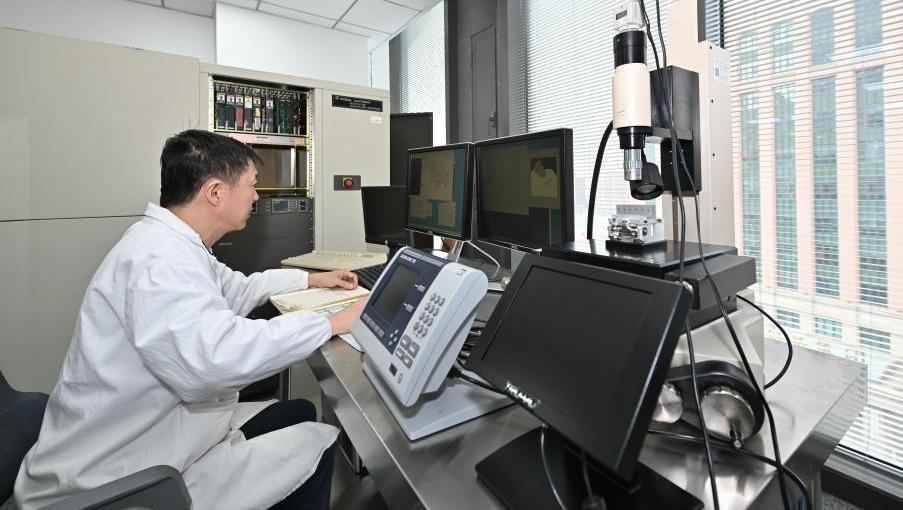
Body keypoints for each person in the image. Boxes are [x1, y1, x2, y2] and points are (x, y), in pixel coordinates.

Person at [15, 130, 365, 510]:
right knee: (318, 441)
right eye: (251, 185)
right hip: (118, 473)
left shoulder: (174, 244)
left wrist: (310, 280)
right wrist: (331, 324)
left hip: (159, 431)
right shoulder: (160, 261)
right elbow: (217, 358)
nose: (256, 197)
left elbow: (236, 288)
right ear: (215, 192)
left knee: (298, 411)